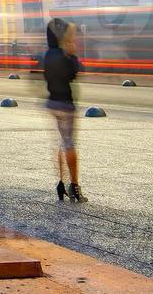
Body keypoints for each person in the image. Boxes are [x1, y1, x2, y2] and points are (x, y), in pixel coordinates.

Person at [42, 17, 87, 203]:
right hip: (66, 105)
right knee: (69, 144)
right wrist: (73, 56)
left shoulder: (48, 55)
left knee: (61, 142)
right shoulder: (64, 56)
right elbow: (74, 73)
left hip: (52, 104)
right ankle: (74, 186)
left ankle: (61, 183)